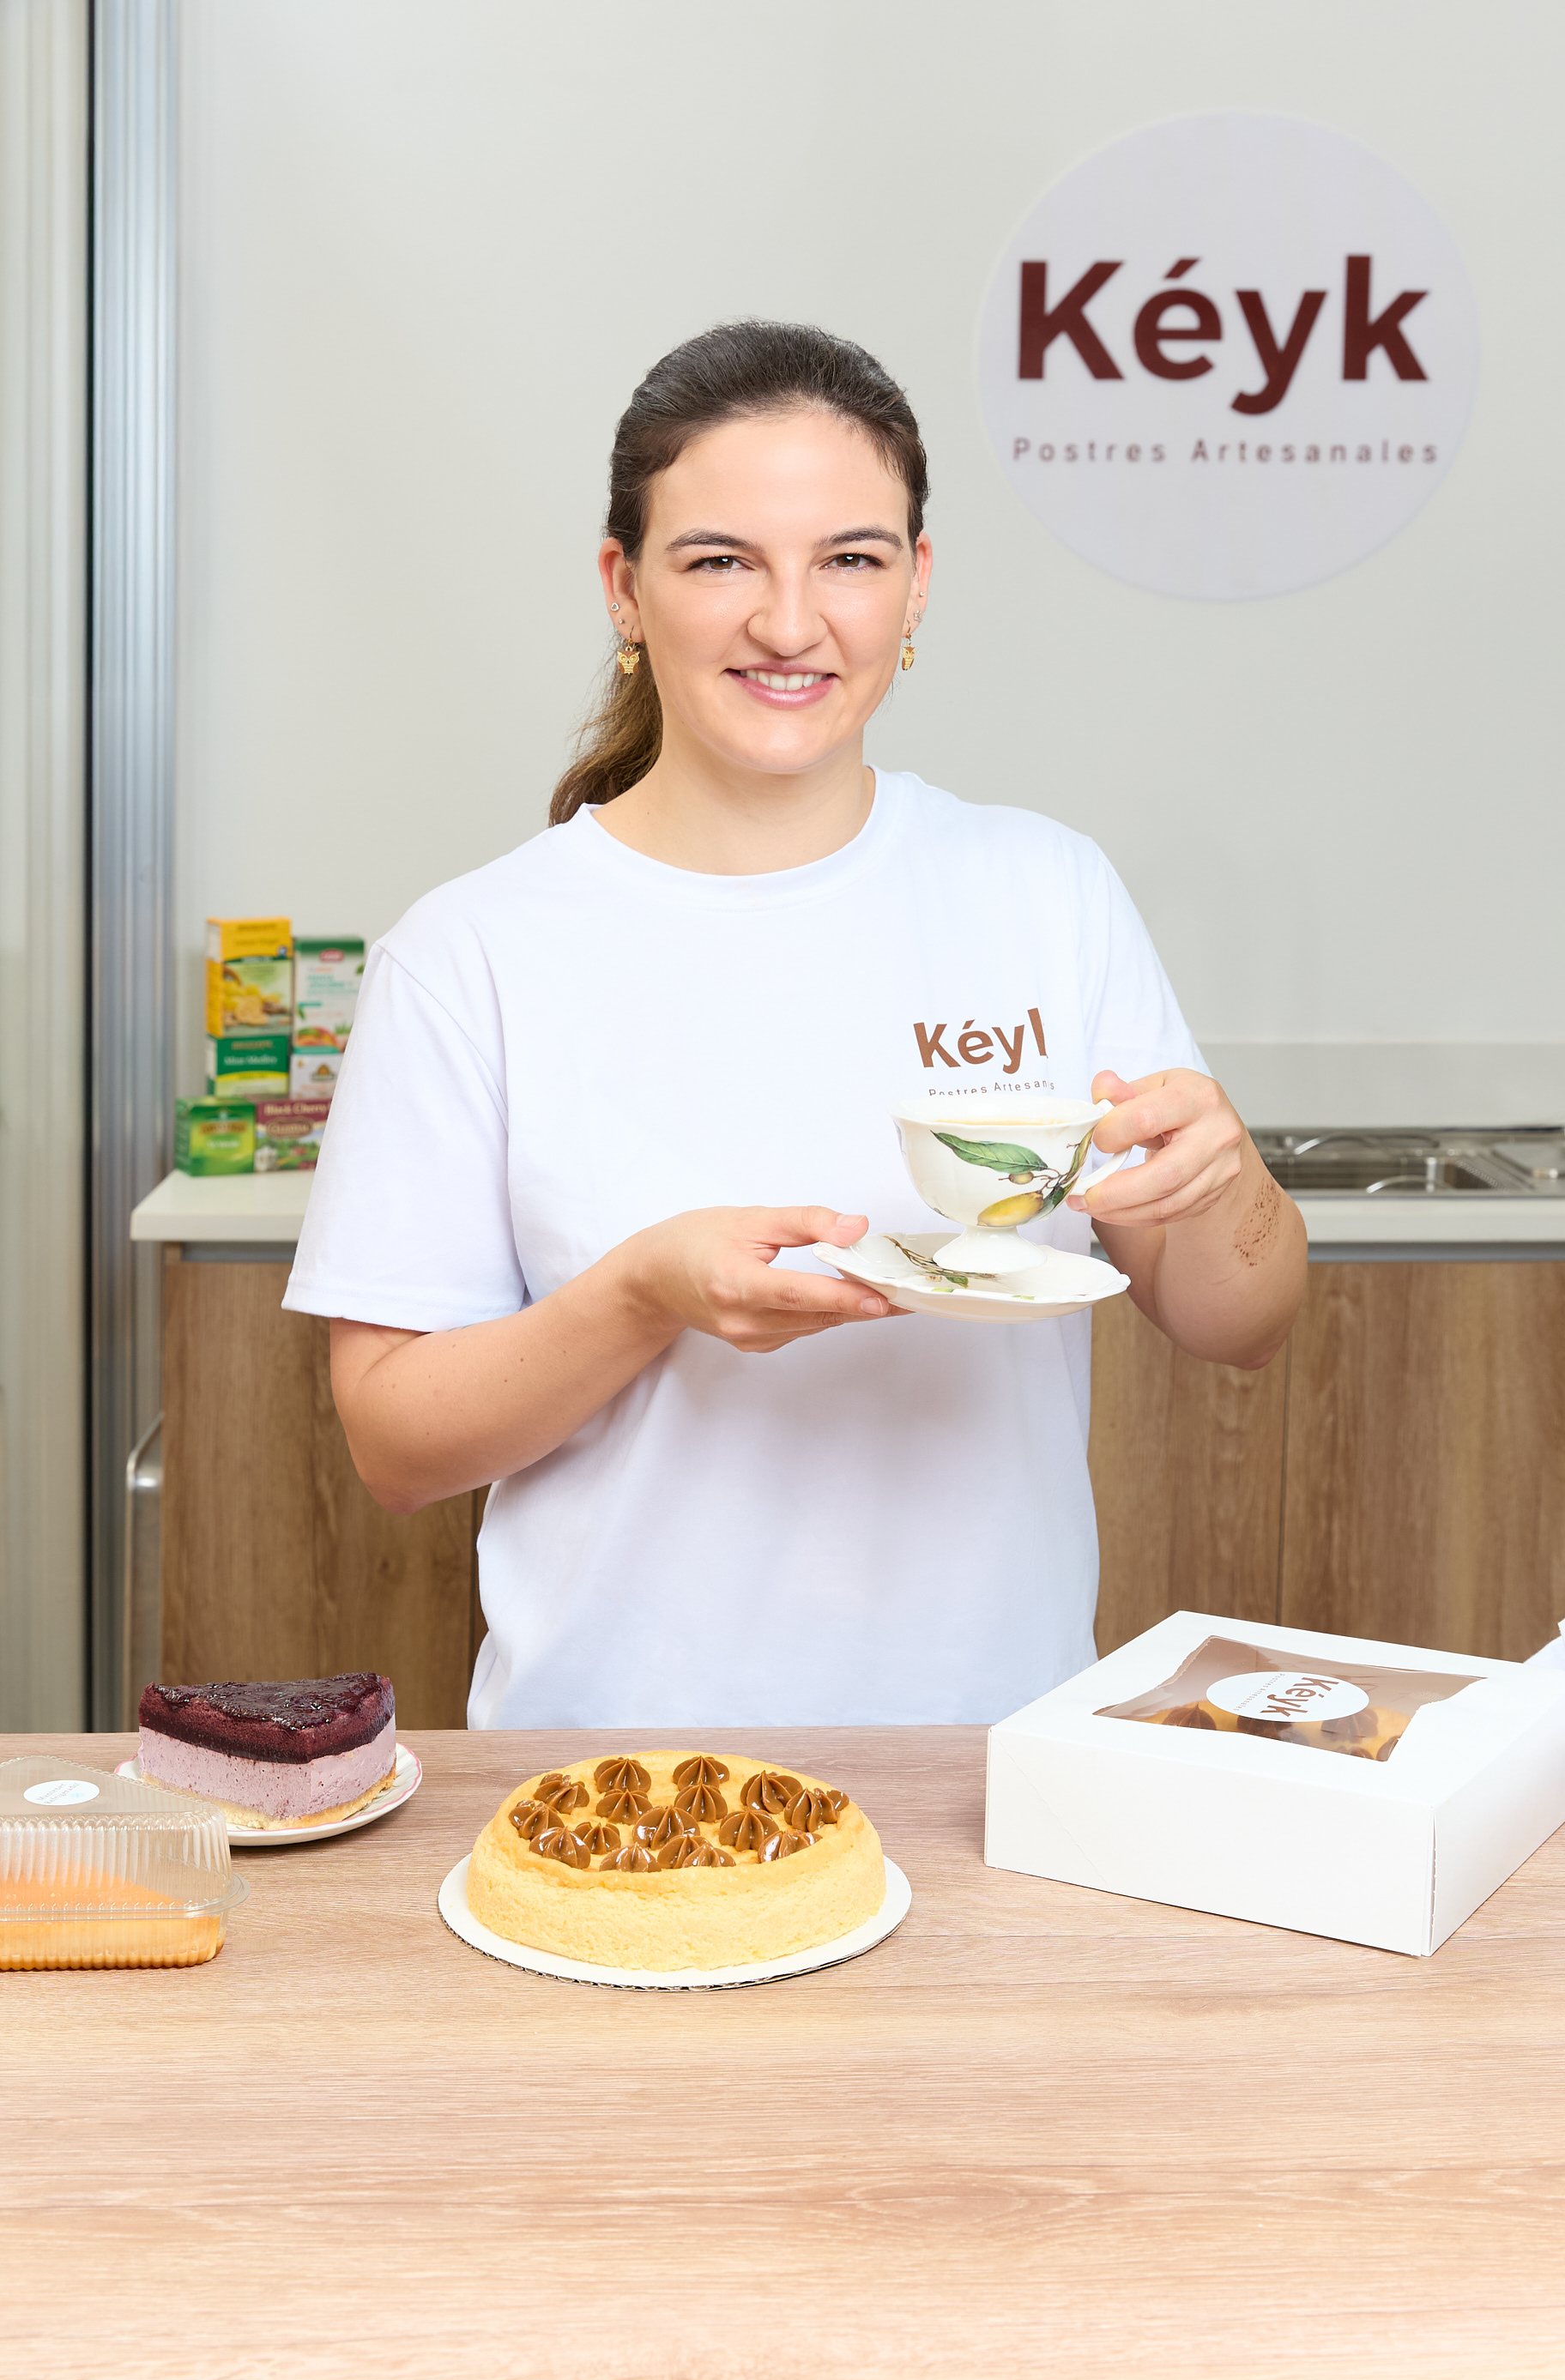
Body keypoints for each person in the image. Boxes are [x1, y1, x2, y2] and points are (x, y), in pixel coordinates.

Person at [285, 321, 1306, 1730]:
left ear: (917, 583)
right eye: (721, 562)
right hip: (617, 1776)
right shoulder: (472, 955)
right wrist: (642, 1295)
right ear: (624, 589)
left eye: (850, 560)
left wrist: (1223, 1180)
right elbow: (394, 1445)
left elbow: (1244, 1321)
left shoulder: (1044, 891)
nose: (788, 622)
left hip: (992, 1761)